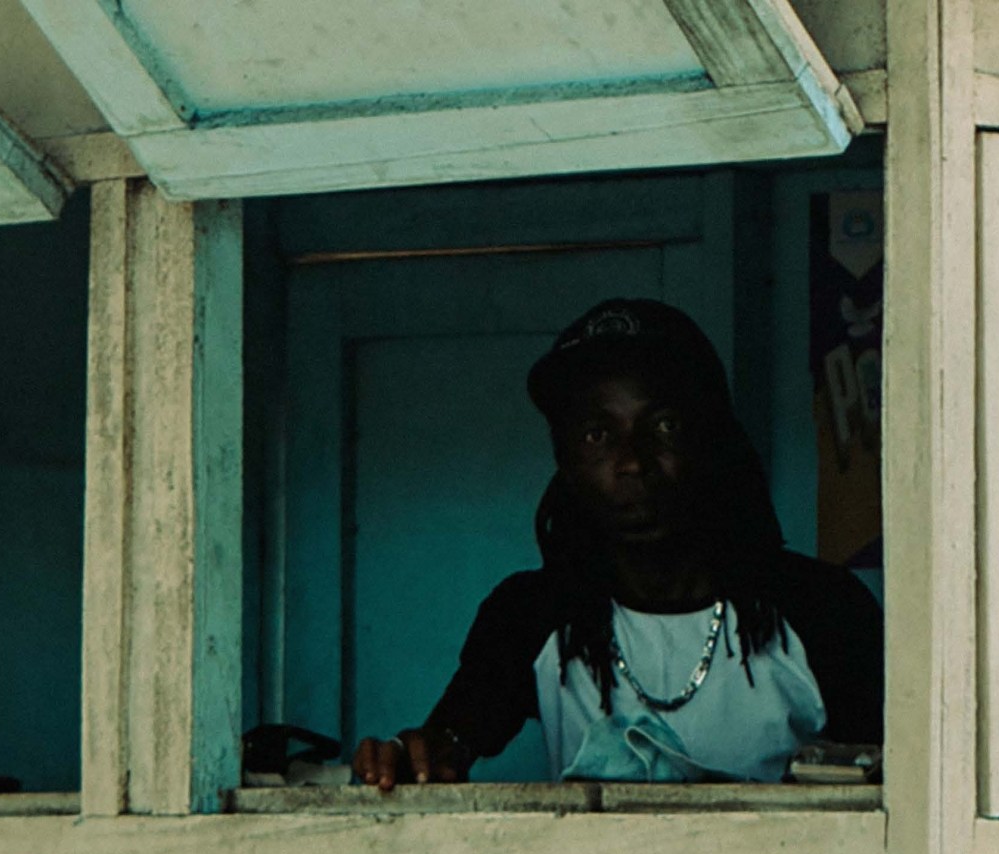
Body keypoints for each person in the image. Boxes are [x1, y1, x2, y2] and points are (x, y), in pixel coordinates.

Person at [352, 297, 883, 790]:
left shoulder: (821, 610)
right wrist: (416, 756)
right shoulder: (533, 614)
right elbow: (453, 737)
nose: (633, 462)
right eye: (597, 435)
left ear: (712, 440)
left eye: (666, 426)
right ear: (565, 461)